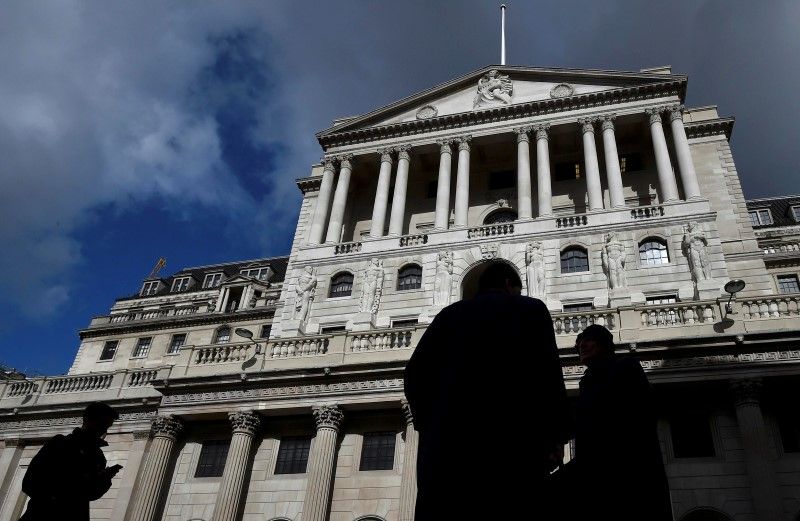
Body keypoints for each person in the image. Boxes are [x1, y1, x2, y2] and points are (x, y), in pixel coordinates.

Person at [404, 262, 570, 520]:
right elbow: (548, 375)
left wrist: (430, 424)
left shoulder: (447, 316)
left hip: (448, 457)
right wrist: (556, 437)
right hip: (512, 450)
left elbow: (414, 376)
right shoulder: (531, 310)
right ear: (508, 284)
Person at [564, 324, 672, 521]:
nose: (582, 346)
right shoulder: (586, 381)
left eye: (588, 341)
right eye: (579, 344)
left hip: (628, 471)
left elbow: (642, 416)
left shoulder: (626, 367)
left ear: (604, 344)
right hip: (595, 472)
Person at [20, 402, 122, 521]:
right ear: (87, 419)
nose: (103, 431)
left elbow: (91, 494)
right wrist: (57, 498)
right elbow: (29, 482)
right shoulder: (60, 443)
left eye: (106, 427)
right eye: (101, 425)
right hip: (44, 514)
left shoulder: (98, 457)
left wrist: (105, 479)